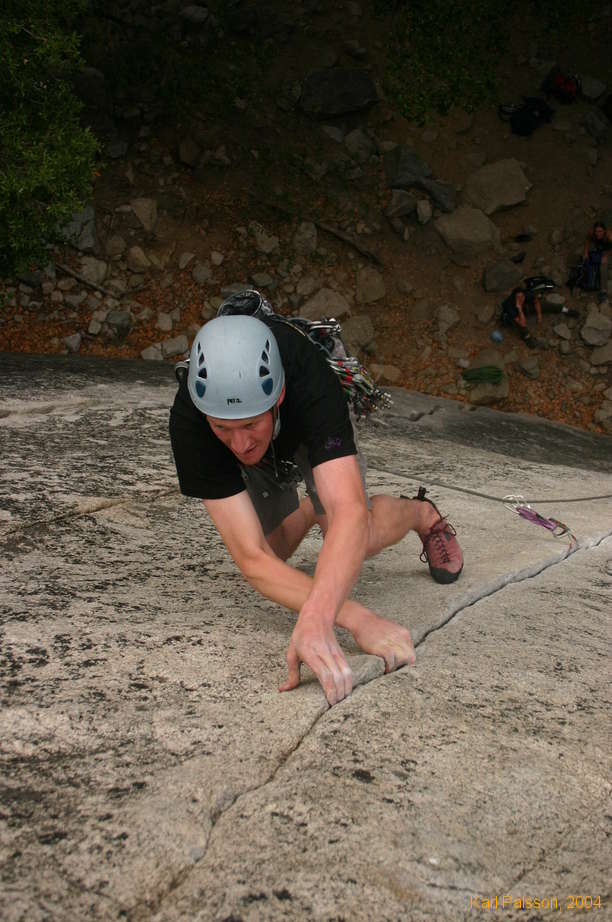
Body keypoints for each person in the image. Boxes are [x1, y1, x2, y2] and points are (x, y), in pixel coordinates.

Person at [169, 290, 463, 707]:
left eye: (249, 424)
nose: (239, 444)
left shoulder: (310, 380)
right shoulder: (191, 418)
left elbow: (349, 512)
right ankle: (311, 506)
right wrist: (359, 619)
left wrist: (319, 618)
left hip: (304, 425)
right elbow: (252, 557)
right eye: (222, 428)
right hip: (268, 423)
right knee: (272, 552)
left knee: (358, 536)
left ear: (277, 397)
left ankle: (420, 513)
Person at [500, 286, 578, 349]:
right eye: (518, 297)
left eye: (522, 296)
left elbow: (536, 302)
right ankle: (527, 337)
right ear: (514, 297)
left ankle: (565, 310)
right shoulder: (509, 306)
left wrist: (539, 315)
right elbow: (522, 323)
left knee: (543, 304)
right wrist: (519, 308)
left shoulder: (526, 295)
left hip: (524, 309)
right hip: (511, 317)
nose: (521, 299)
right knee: (519, 325)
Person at [582, 221, 612, 303]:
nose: (598, 233)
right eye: (596, 231)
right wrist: (585, 252)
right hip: (600, 250)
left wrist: (607, 255)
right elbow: (587, 239)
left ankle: (603, 291)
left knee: (603, 265)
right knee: (589, 260)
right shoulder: (592, 233)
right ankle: (590, 281)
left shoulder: (609, 236)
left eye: (600, 231)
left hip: (609, 251)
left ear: (604, 231)